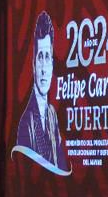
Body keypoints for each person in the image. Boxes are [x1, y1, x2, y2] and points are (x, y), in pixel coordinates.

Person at [13, 11, 70, 174]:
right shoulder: (26, 122)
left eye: (47, 57)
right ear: (33, 65)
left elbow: (61, 167)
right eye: (40, 57)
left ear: (52, 64)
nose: (44, 68)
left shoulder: (52, 114)